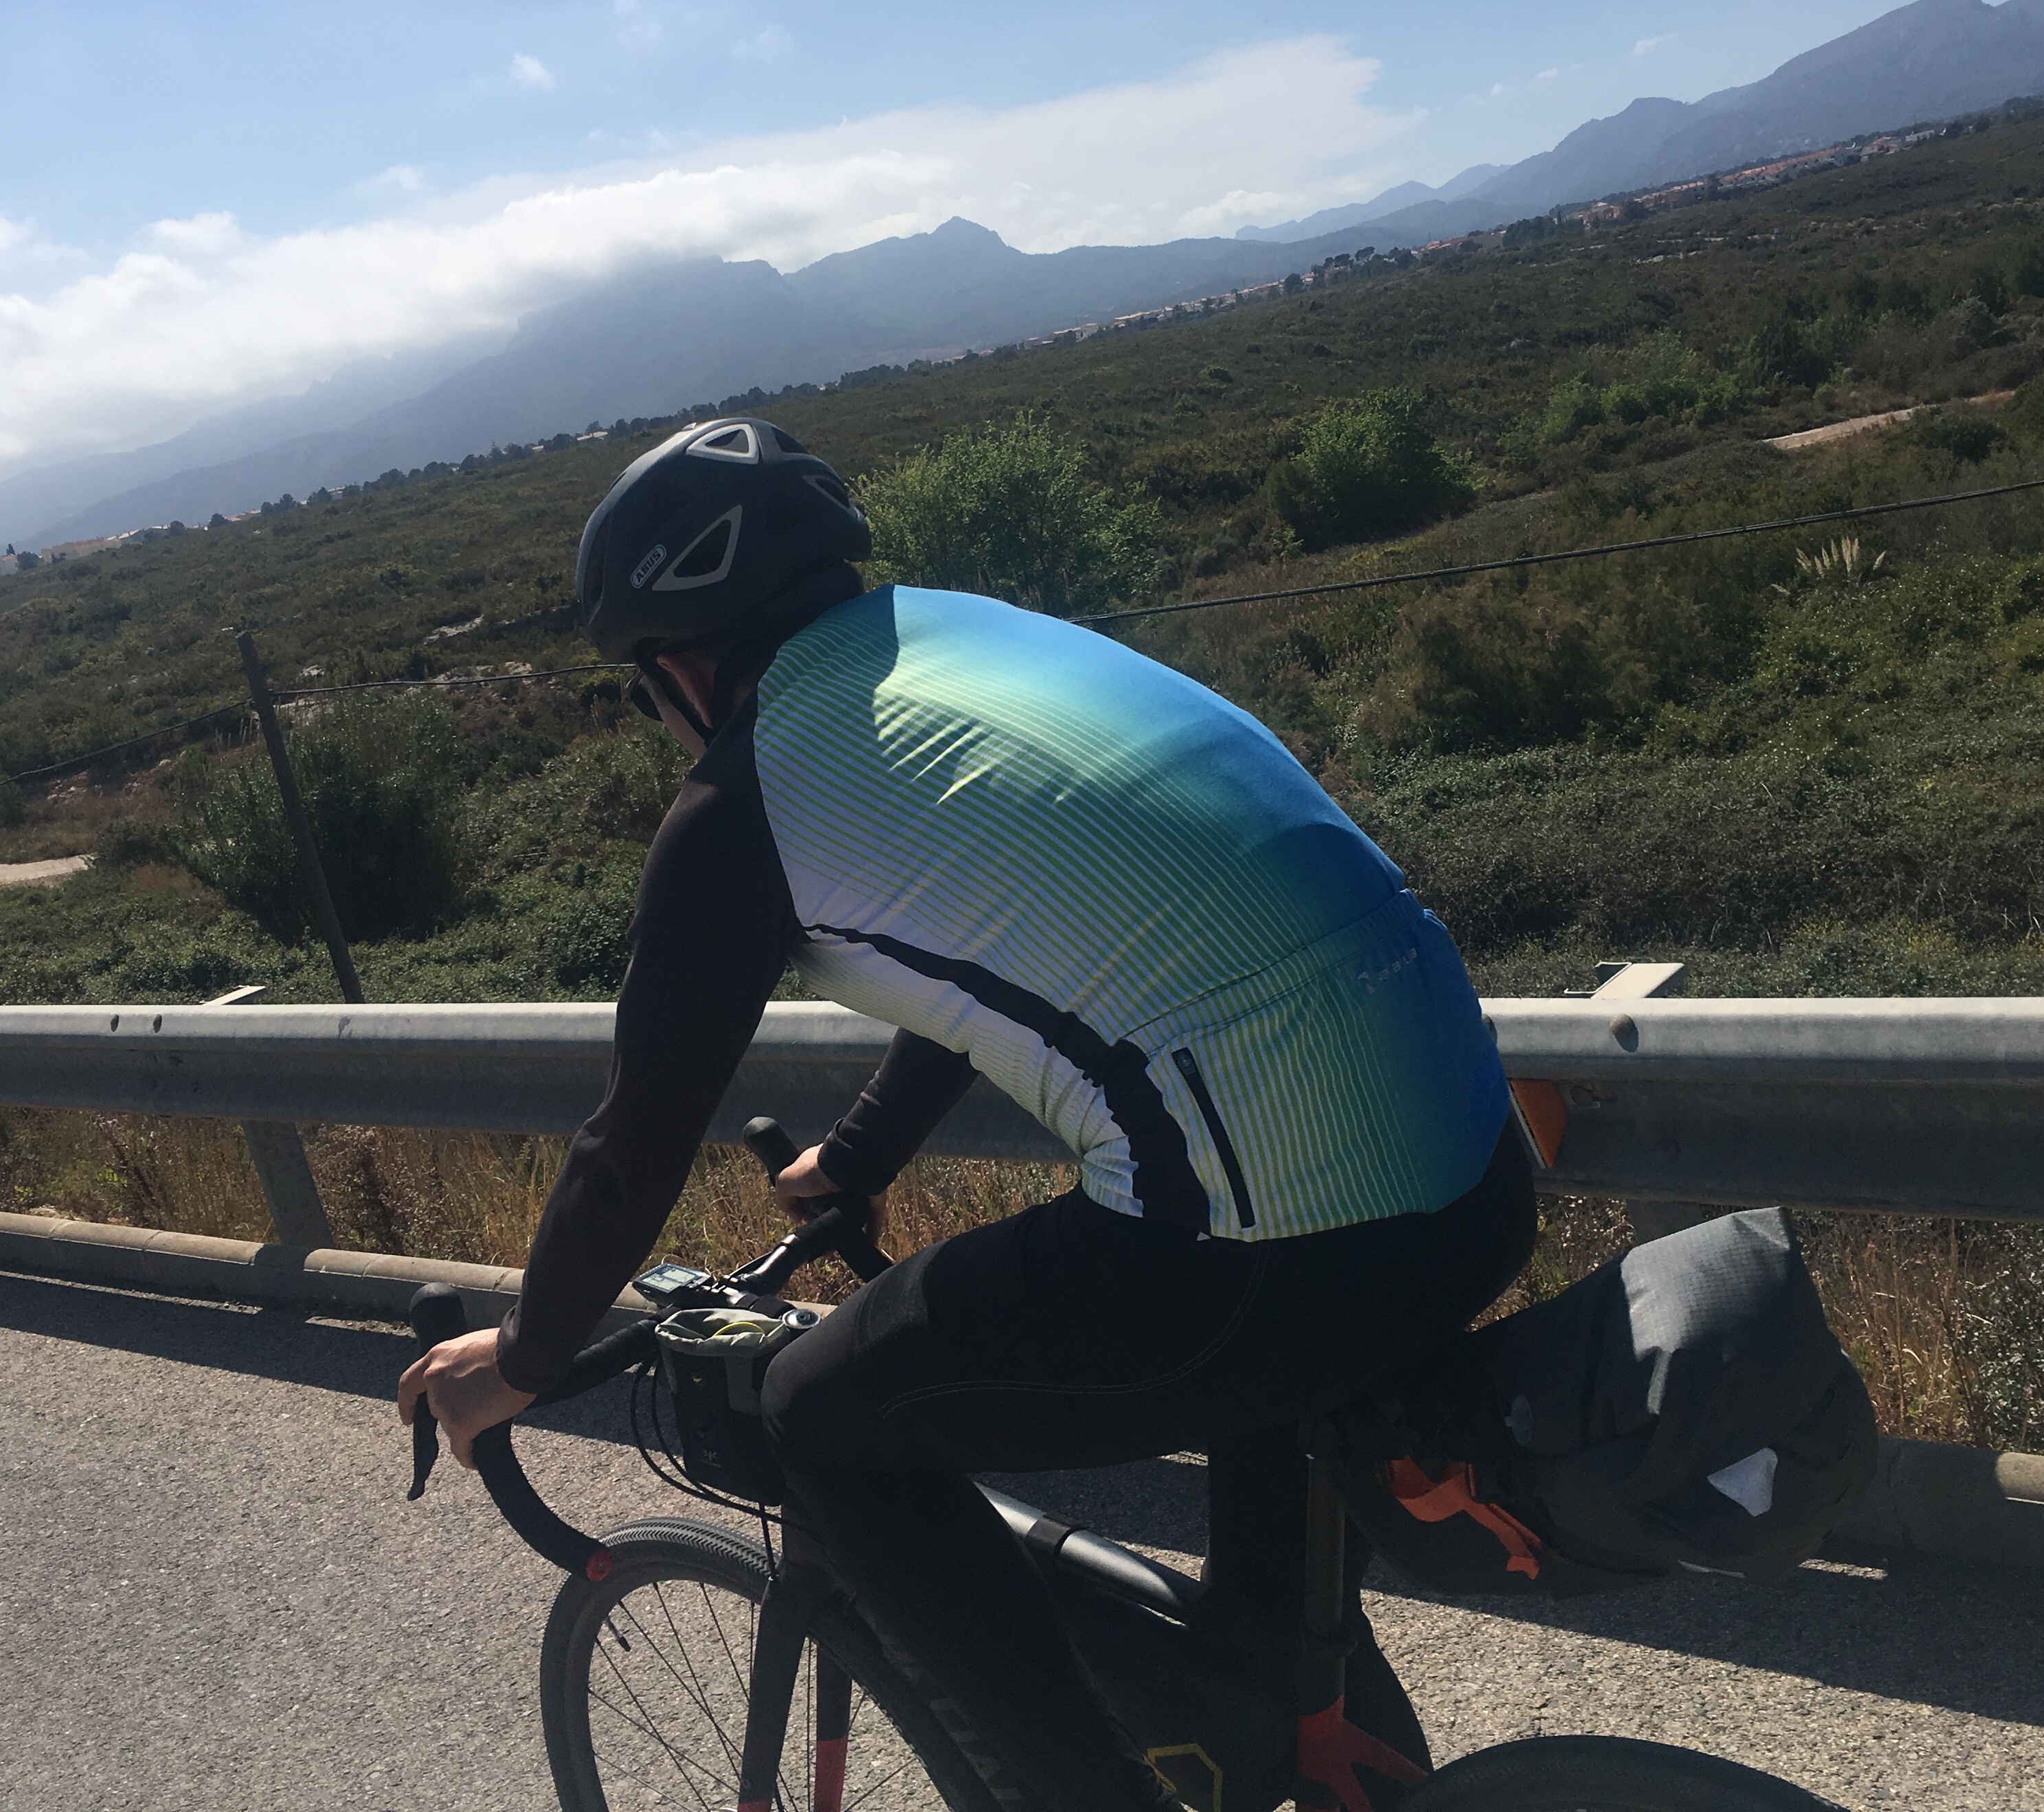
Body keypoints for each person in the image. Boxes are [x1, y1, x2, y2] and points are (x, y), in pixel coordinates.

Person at [400, 417, 1536, 1811]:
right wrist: (858, 1156)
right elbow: (1005, 922)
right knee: (1268, 1655)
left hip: (1275, 1247)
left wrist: (521, 1359)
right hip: (1475, 1170)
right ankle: (1321, 1744)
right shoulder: (972, 641)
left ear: (679, 667)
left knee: (817, 1413)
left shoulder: (742, 803)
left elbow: (627, 1151)